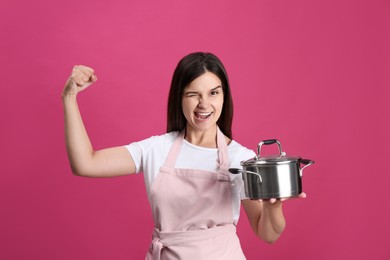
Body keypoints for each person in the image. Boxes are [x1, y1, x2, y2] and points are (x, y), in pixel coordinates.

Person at [62, 52, 305, 259]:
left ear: (224, 96)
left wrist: (275, 205)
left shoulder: (240, 157)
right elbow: (85, 163)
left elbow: (268, 234)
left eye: (213, 93)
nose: (204, 104)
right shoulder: (156, 149)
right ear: (180, 97)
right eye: (193, 94)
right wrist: (70, 97)